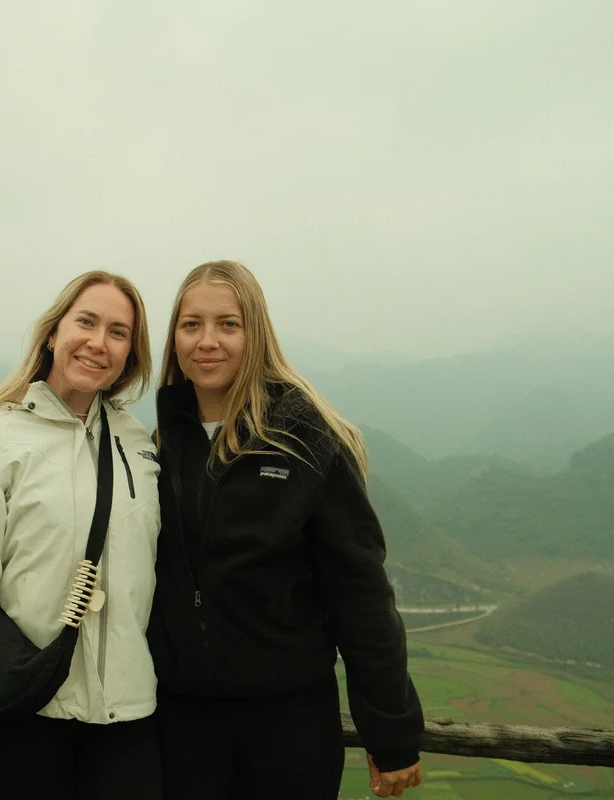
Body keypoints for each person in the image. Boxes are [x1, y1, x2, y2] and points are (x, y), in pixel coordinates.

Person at [150, 260, 425, 799]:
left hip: (289, 722)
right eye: (191, 325)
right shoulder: (157, 444)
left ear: (256, 333)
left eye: (228, 324)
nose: (208, 341)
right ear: (174, 338)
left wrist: (390, 730)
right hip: (180, 722)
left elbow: (361, 596)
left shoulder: (306, 441)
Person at [0, 271, 163, 800]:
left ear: (130, 356)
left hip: (131, 724)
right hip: (29, 716)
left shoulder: (138, 444)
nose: (99, 342)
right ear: (53, 333)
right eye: (87, 322)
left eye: (118, 332)